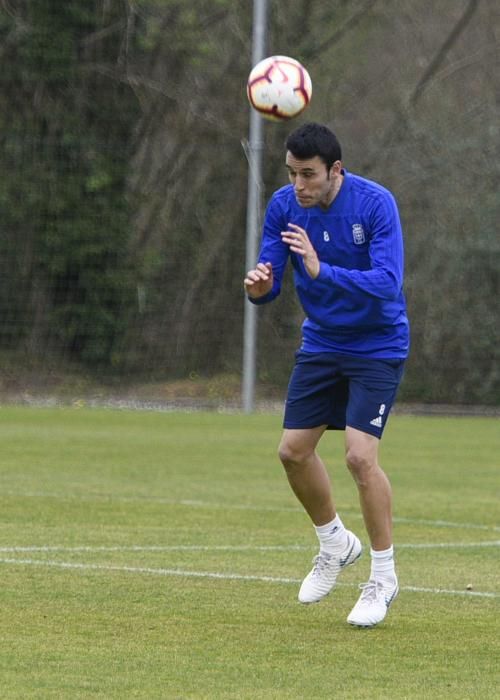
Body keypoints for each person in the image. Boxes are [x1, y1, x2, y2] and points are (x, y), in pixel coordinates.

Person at [243, 122, 409, 627]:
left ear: (336, 170)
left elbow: (387, 283)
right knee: (292, 451)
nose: (299, 187)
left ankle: (382, 576)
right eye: (292, 174)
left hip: (377, 344)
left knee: (360, 457)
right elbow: (269, 281)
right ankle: (334, 542)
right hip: (322, 341)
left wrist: (321, 270)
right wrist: (259, 287)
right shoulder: (284, 206)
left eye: (309, 175)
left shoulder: (376, 205)